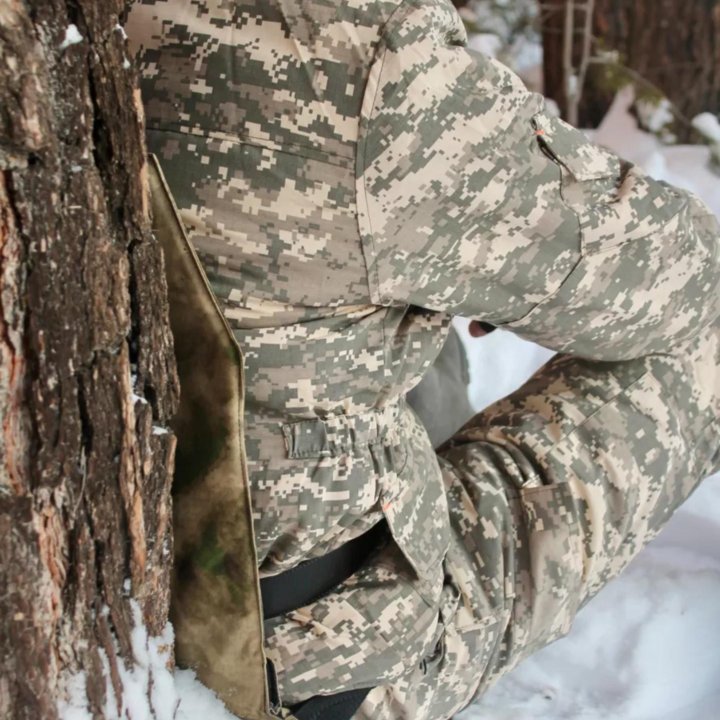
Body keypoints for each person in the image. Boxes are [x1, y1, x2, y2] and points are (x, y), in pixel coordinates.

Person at [126, 1, 720, 718]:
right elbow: (678, 279)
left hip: (161, 593)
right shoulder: (364, 62)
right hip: (304, 664)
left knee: (395, 334)